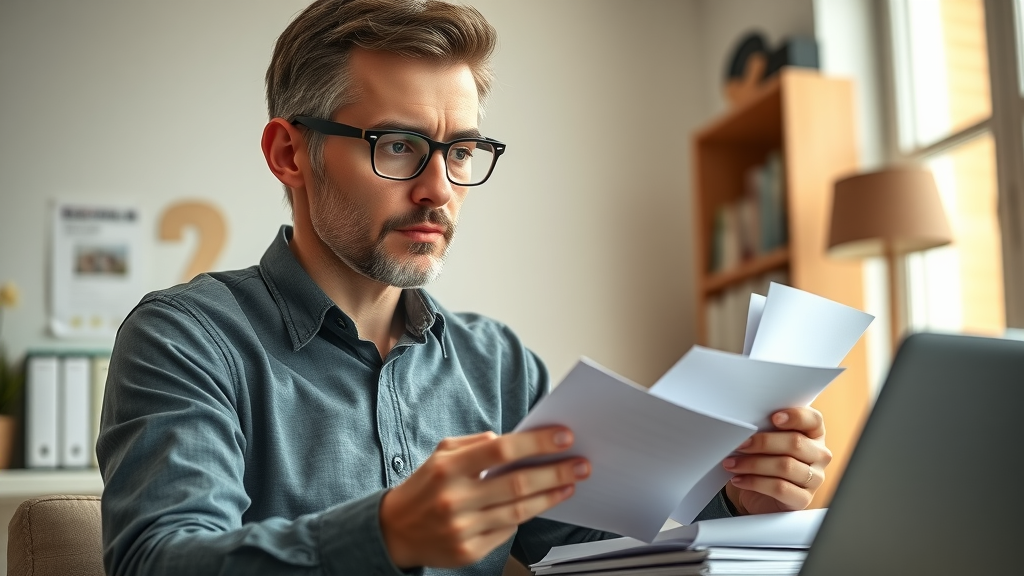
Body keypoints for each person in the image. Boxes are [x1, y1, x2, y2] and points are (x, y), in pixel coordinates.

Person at [97, 1, 833, 574]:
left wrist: (743, 500)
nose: (438, 191)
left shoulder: (499, 365)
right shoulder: (185, 338)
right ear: (290, 153)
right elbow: (157, 560)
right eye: (398, 147)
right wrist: (384, 534)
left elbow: (599, 557)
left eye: (463, 151)